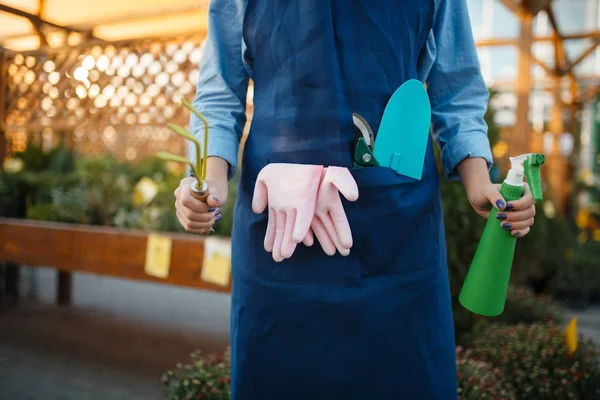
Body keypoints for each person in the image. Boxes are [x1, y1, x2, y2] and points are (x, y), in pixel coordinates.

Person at [173, 0, 538, 398]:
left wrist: (480, 182)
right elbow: (220, 91)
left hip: (398, 235)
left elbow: (457, 91)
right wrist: (209, 183)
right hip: (282, 233)